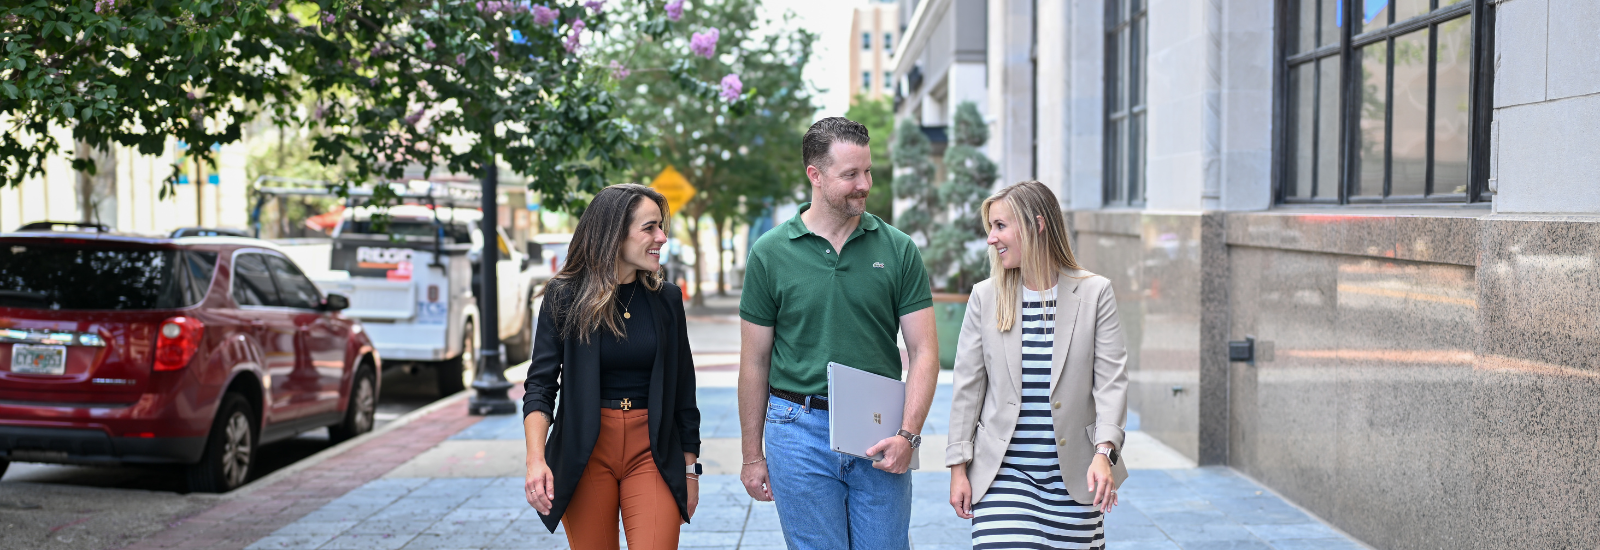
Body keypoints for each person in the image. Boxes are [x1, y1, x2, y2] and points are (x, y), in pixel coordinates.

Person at [737, 117, 941, 550]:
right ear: (815, 175)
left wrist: (908, 435)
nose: (863, 184)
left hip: (878, 430)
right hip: (796, 429)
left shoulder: (898, 248)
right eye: (850, 174)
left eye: (867, 171)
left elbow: (924, 352)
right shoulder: (770, 253)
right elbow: (754, 362)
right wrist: (752, 455)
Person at [946, 180, 1130, 548]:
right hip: (1003, 477)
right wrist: (957, 468)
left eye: (1000, 226)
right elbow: (968, 387)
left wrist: (1104, 454)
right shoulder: (986, 297)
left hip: (1076, 479)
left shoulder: (1095, 294)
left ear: (1037, 224)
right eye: (990, 228)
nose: (991, 238)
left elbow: (1111, 382)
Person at [521, 184, 701, 550]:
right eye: (649, 228)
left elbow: (684, 390)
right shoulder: (564, 296)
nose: (662, 237)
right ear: (615, 233)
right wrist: (535, 460)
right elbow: (540, 386)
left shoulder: (666, 300)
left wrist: (690, 470)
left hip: (652, 450)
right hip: (585, 452)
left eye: (661, 227)